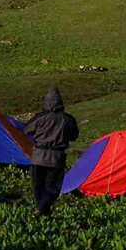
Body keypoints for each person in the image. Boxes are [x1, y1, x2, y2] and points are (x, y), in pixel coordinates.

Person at [24, 86, 79, 217]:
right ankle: (42, 210)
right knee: (52, 187)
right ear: (60, 103)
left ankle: (40, 210)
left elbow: (27, 130)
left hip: (38, 156)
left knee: (38, 186)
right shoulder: (68, 119)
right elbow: (74, 136)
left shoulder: (39, 117)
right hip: (56, 158)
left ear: (46, 102)